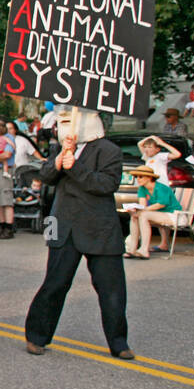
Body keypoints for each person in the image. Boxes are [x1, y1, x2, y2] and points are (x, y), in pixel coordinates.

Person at [24, 107, 134, 359]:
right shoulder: (61, 148)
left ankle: (119, 342)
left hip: (100, 228)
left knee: (112, 289)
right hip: (65, 227)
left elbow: (106, 184)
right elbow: (46, 175)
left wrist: (75, 167)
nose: (64, 125)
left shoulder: (109, 151)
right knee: (55, 283)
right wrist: (62, 157)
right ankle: (36, 336)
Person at [122, 166, 182, 260]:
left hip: (174, 215)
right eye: (136, 176)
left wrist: (143, 210)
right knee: (135, 216)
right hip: (159, 214)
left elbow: (161, 204)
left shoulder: (161, 188)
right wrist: (136, 210)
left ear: (149, 177)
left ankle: (144, 250)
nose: (138, 179)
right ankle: (132, 249)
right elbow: (142, 205)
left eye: (140, 176)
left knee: (143, 215)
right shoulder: (142, 188)